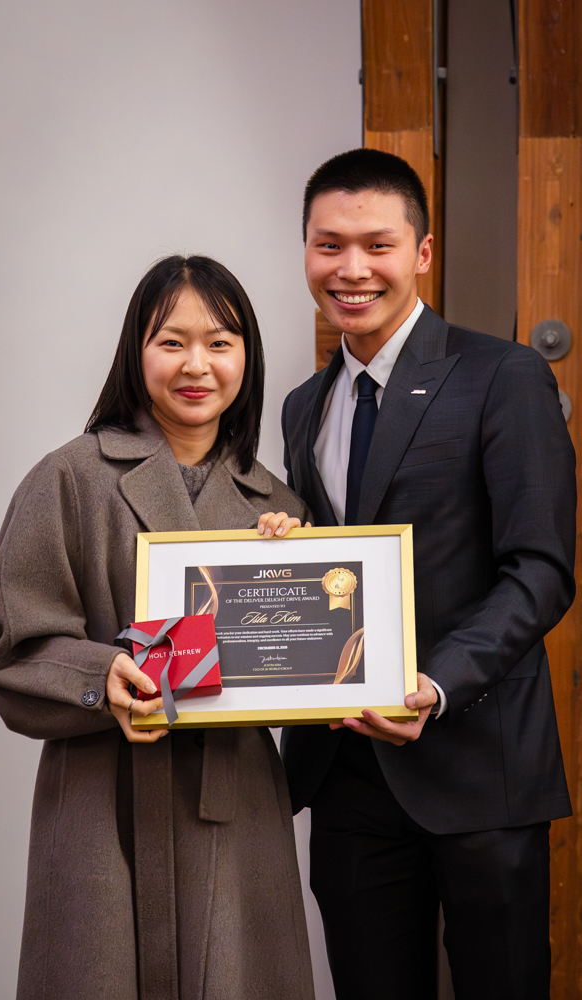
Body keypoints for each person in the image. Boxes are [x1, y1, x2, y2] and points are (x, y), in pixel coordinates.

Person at [277, 149, 576, 1000]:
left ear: (421, 252)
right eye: (329, 246)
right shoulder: (302, 406)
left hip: (477, 763)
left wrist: (435, 686)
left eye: (377, 244)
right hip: (345, 775)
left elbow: (540, 568)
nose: (351, 269)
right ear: (306, 252)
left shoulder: (502, 375)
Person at [0, 255, 316, 1000]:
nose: (197, 364)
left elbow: (306, 667)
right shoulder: (69, 477)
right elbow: (9, 650)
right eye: (171, 341)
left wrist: (292, 570)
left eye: (220, 342)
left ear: (247, 358)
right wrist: (102, 676)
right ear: (137, 351)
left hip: (234, 806)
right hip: (102, 803)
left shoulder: (279, 509)